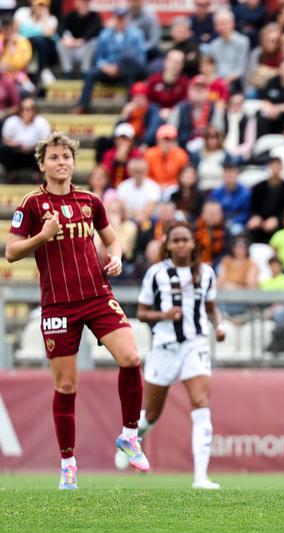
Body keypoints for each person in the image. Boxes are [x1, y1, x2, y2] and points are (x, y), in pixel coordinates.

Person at [5, 133, 148, 489]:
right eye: (53, 157)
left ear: (73, 161)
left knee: (131, 357)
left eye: (66, 156)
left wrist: (114, 256)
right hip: (58, 303)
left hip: (97, 295)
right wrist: (43, 236)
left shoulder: (90, 200)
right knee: (67, 384)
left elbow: (112, 239)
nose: (61, 162)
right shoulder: (33, 205)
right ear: (42, 164)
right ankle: (68, 462)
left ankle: (130, 435)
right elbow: (11, 252)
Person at [133, 222, 224, 489]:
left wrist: (218, 326)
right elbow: (141, 313)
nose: (182, 244)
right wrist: (163, 315)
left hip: (195, 346)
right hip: (164, 347)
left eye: (186, 239)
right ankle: (130, 440)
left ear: (193, 244)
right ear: (168, 245)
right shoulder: (156, 273)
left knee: (200, 402)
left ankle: (200, 477)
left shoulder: (206, 273)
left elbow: (210, 308)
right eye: (176, 240)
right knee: (150, 414)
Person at [76, 7, 146, 114]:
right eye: (118, 18)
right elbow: (99, 58)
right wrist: (105, 67)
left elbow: (140, 59)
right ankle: (83, 105)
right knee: (90, 74)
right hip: (107, 70)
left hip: (125, 71)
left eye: (123, 18)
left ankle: (130, 107)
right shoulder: (105, 35)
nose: (120, 21)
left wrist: (121, 67)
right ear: (114, 19)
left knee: (131, 75)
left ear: (127, 19)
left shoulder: (136, 34)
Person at [1, 98, 51, 174]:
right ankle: (11, 173)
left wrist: (32, 147)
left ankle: (38, 174)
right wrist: (17, 144)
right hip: (16, 151)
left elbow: (46, 142)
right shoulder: (12, 121)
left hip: (34, 153)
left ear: (35, 110)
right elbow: (5, 140)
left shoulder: (42, 122)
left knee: (45, 151)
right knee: (3, 150)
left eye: (29, 109)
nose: (26, 112)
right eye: (23, 109)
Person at [56, 0, 102, 78]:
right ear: (77, 3)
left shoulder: (94, 16)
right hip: (72, 49)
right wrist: (67, 39)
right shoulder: (70, 15)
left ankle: (84, 73)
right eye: (82, 2)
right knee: (60, 43)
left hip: (85, 50)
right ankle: (67, 73)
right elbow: (61, 29)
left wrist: (81, 41)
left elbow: (95, 31)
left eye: (86, 2)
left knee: (93, 42)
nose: (84, 4)